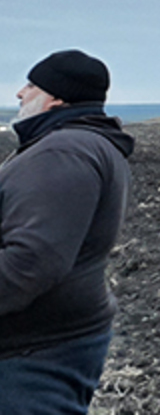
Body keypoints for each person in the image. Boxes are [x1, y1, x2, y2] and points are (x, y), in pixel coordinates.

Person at [0, 50, 135, 414]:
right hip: (50, 344)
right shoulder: (87, 145)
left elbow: (30, 262)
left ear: (56, 98)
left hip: (31, 356)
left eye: (31, 85)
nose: (20, 93)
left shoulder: (62, 152)